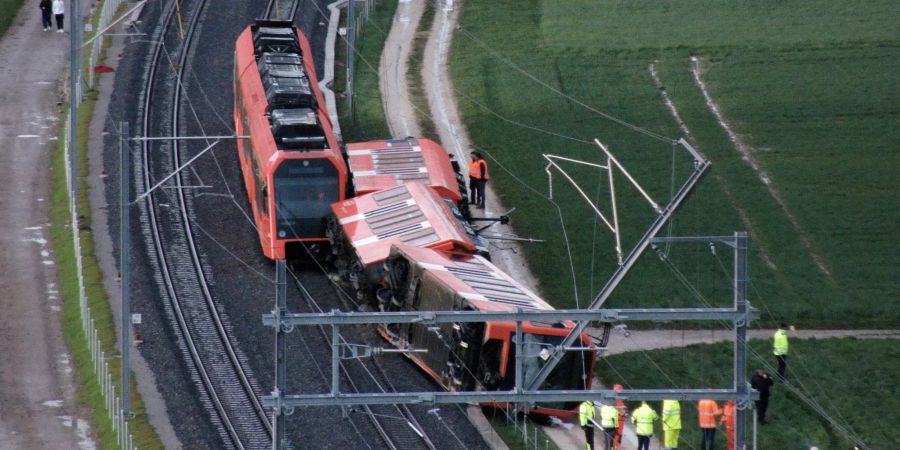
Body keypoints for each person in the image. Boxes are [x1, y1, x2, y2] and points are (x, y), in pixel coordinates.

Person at [612, 384, 627, 450]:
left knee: (616, 438)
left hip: (617, 422)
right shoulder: (619, 402)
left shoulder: (614, 401)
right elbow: (622, 413)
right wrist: (624, 414)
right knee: (617, 437)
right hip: (619, 423)